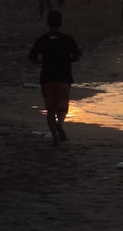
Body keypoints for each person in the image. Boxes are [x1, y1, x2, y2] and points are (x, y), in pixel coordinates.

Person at [28, 10, 82, 146]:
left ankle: (55, 139)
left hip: (47, 77)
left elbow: (32, 58)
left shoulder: (43, 39)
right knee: (63, 108)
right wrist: (69, 60)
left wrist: (40, 62)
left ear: (48, 23)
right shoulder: (67, 39)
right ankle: (60, 123)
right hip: (64, 77)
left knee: (50, 109)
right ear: (60, 23)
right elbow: (78, 56)